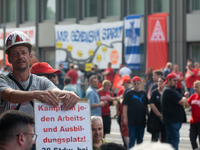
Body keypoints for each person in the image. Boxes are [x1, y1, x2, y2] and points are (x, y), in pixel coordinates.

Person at [0, 31, 79, 116]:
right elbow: (10, 95)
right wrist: (36, 94)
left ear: (30, 56)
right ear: (9, 59)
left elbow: (57, 92)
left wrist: (69, 94)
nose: (20, 56)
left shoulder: (41, 81)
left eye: (24, 52)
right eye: (15, 53)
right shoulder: (3, 80)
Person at [161, 73, 188, 150]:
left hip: (172, 121)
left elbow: (183, 101)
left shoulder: (171, 90)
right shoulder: (168, 90)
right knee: (174, 141)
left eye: (177, 80)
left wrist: (183, 98)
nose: (176, 82)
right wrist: (184, 98)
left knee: (170, 142)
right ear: (168, 81)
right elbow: (182, 102)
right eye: (174, 80)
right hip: (172, 122)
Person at [123, 76, 149, 148]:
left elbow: (146, 106)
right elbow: (125, 106)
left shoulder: (143, 93)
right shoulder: (129, 93)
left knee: (140, 139)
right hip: (132, 119)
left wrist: (148, 116)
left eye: (138, 83)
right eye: (135, 83)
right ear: (132, 84)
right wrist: (125, 118)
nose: (136, 85)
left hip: (141, 119)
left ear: (140, 83)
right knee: (132, 138)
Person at [148, 77, 167, 142]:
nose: (159, 83)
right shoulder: (154, 92)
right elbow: (152, 104)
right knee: (154, 138)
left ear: (165, 83)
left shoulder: (166, 92)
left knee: (165, 138)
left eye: (161, 81)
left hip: (165, 118)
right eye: (158, 81)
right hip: (156, 118)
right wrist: (159, 115)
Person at [116, 75, 132, 149]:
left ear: (125, 83)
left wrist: (120, 100)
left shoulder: (126, 90)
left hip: (125, 114)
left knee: (125, 133)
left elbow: (124, 103)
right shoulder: (134, 90)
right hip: (131, 115)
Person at [186, 80, 200, 150]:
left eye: (197, 87)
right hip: (193, 121)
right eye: (194, 87)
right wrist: (186, 97)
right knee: (192, 137)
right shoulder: (193, 96)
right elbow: (187, 106)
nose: (195, 89)